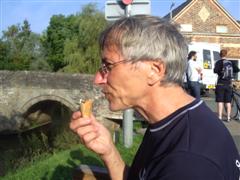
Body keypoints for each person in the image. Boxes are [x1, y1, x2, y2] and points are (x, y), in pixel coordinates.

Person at [70, 15, 240, 180]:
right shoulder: (171, 122)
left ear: (154, 71)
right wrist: (109, 152)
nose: (98, 79)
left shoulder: (188, 163)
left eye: (108, 66)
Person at [214, 49, 239, 121]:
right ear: (226, 54)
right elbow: (237, 70)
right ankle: (228, 117)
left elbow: (215, 71)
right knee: (228, 102)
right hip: (228, 84)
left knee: (220, 101)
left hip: (220, 84)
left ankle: (220, 117)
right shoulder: (230, 62)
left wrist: (220, 71)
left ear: (220, 55)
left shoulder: (218, 62)